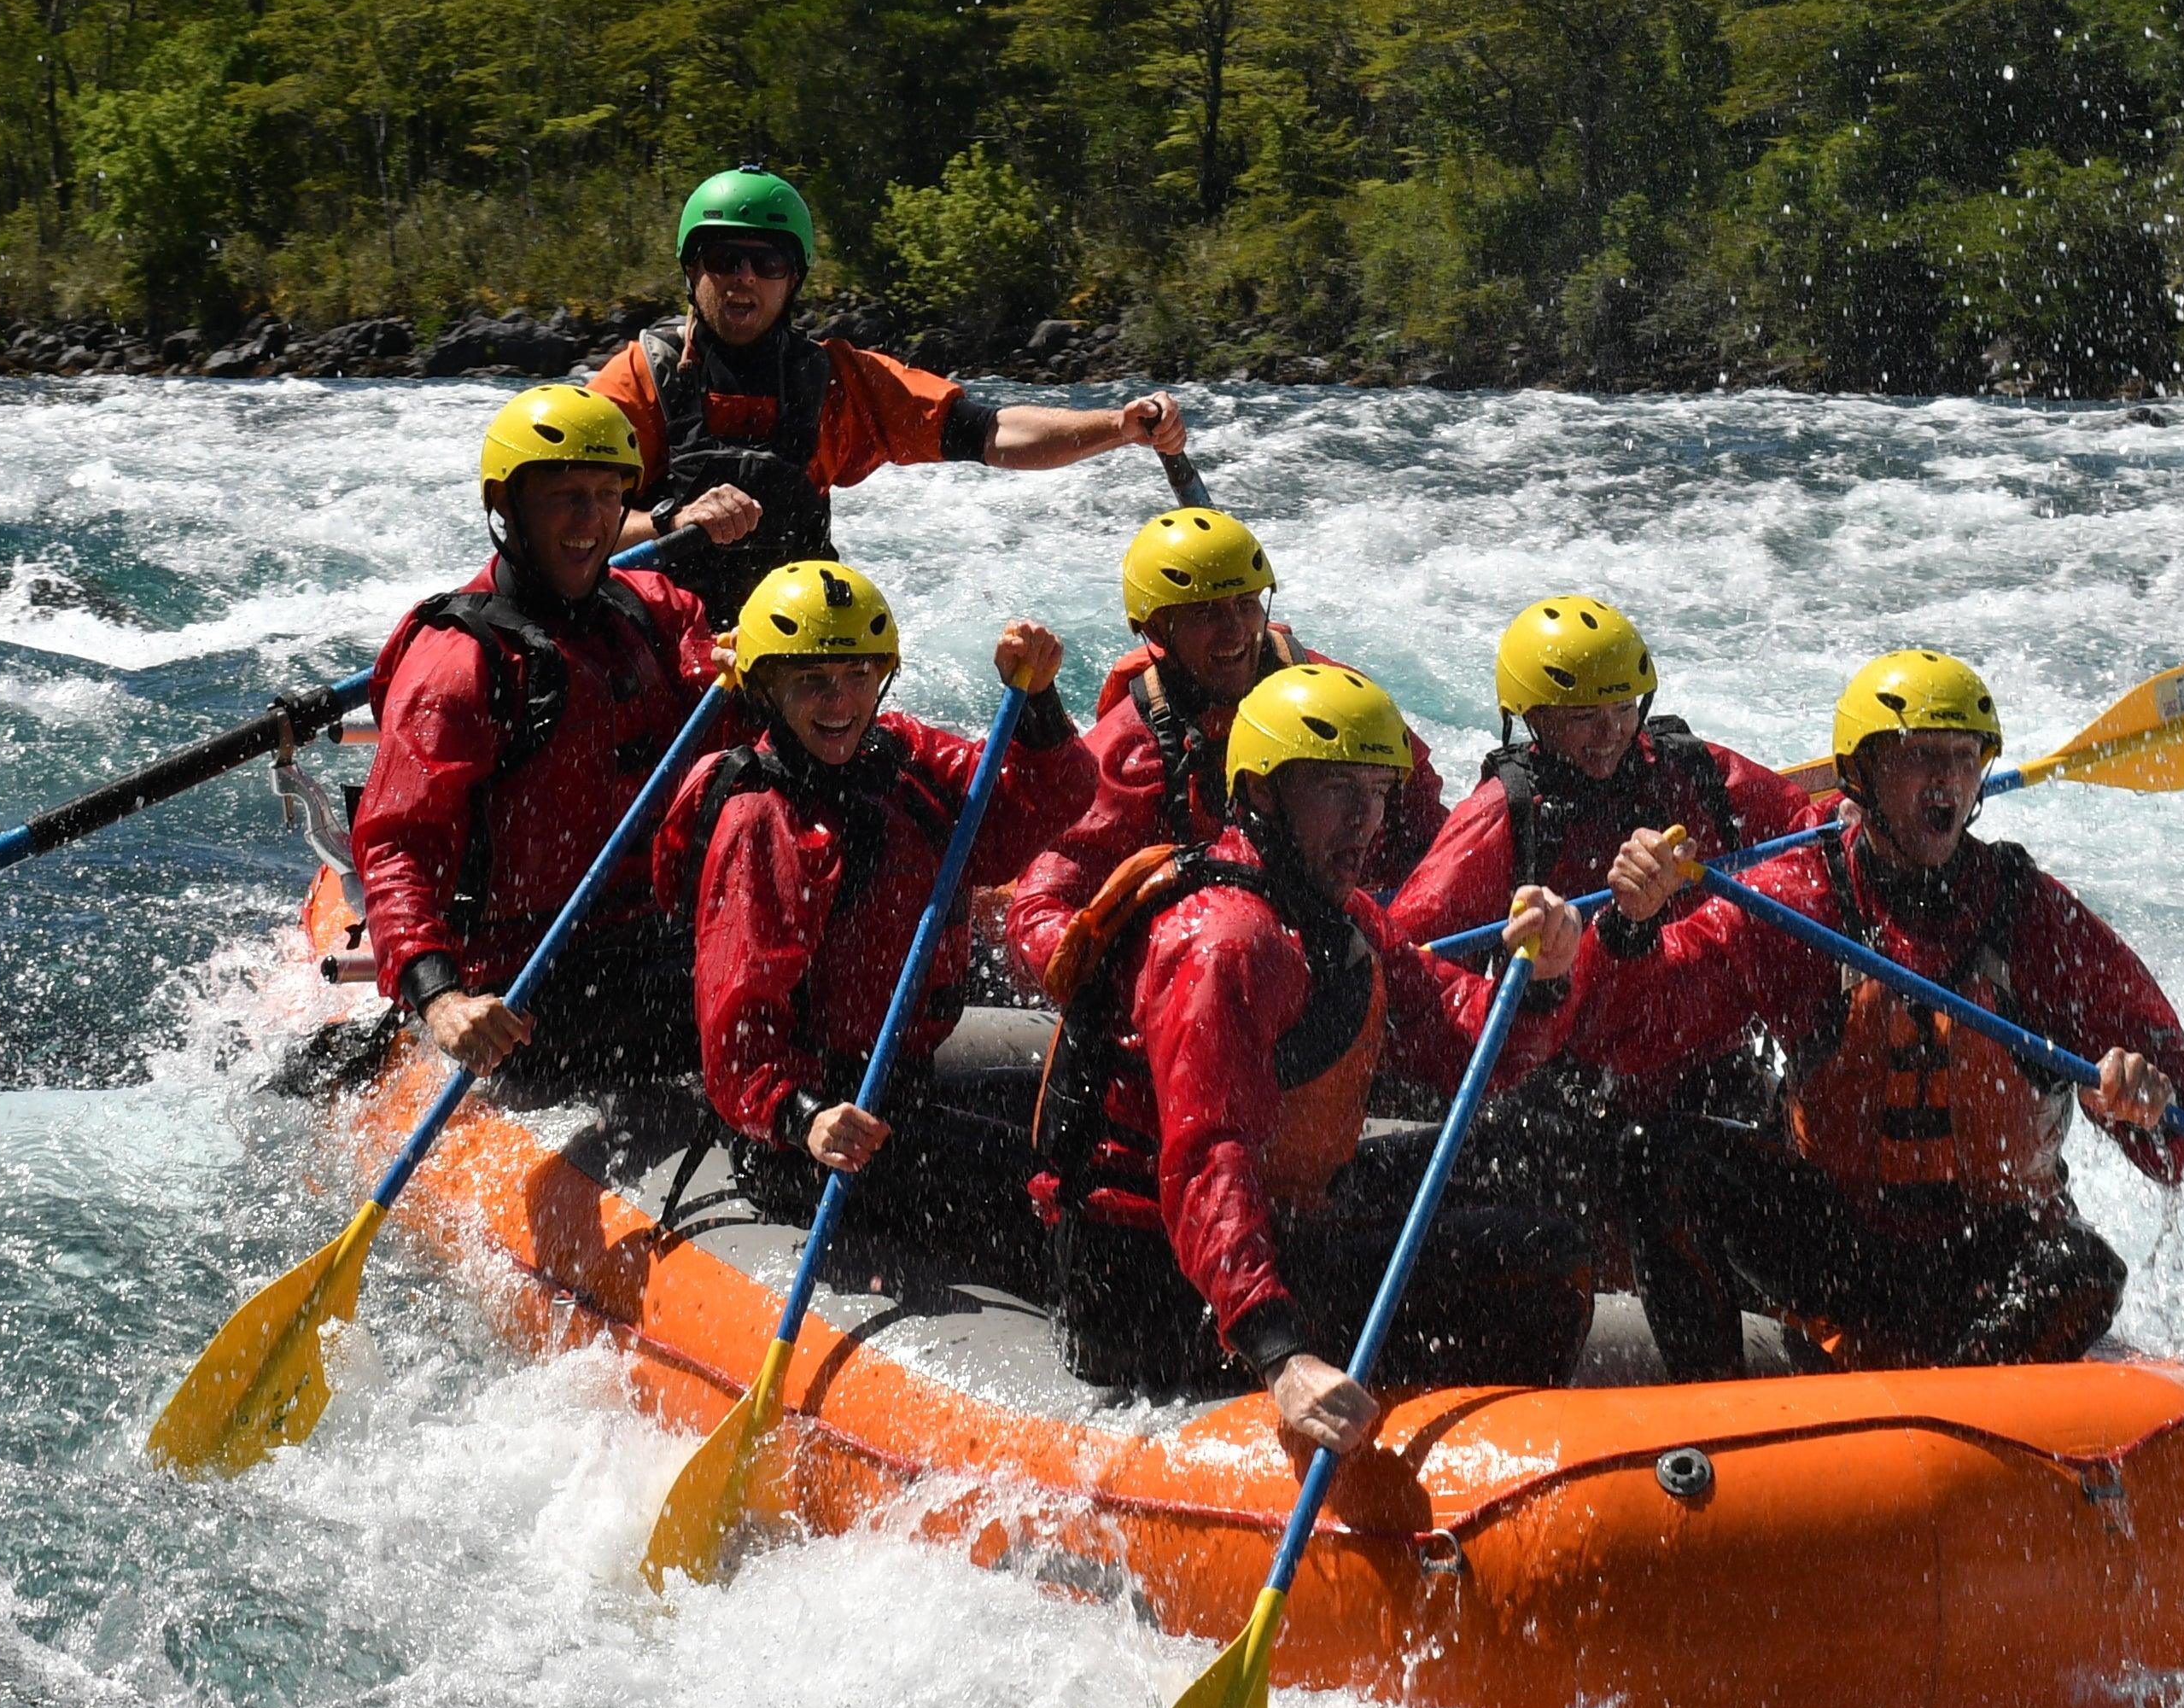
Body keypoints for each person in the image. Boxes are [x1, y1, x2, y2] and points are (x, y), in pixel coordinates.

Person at [1031, 662, 1654, 1453]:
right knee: (1540, 1257)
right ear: (1261, 794)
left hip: (1278, 1221)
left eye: (1376, 791)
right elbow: (1206, 1160)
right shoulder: (1225, 942)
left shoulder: (1341, 914)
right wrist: (1281, 1352)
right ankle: (1462, 1478)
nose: (1364, 820)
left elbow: (1470, 1048)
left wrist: (1543, 976)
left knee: (1525, 1150)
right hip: (1150, 1287)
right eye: (1335, 791)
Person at [1708, 649, 2184, 1369]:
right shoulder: (1799, 897)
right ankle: (1718, 1420)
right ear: (1862, 775)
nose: (1946, 776)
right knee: (1659, 1154)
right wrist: (1621, 931)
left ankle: (1960, 1401)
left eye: (1963, 756)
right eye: (1920, 756)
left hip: (1988, 1254)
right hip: (1841, 1252)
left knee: (2088, 1269)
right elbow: (1649, 1013)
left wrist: (2145, 1097)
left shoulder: (2033, 915)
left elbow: (2176, 1141)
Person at [1384, 593, 1834, 1382]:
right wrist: (1528, 973)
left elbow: (1809, 838)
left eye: (1622, 708)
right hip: (1572, 1083)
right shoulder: (1506, 816)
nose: (1608, 734)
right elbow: (1413, 956)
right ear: (1532, 720)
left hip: (1708, 1064)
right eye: (1580, 716)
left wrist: (1856, 817)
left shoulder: (1703, 775)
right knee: (1606, 1178)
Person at [651, 557, 1086, 1266]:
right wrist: (805, 1117)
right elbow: (737, 1040)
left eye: (858, 675)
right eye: (812, 682)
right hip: (810, 1134)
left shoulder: (901, 755)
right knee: (1050, 1200)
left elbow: (1035, 807)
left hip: (897, 1081)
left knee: (1082, 1127)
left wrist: (1037, 702)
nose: (840, 701)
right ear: (765, 689)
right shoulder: (761, 822)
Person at [589, 167, 1190, 623]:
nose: (744, 278)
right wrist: (674, 518)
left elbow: (993, 432)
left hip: (790, 647)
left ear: (792, 279)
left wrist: (1118, 426)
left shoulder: (838, 383)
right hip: (659, 639)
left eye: (767, 261)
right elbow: (561, 529)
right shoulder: (640, 380)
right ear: (692, 271)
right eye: (724, 259)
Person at [347, 385, 723, 1088]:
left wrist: (766, 671)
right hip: (525, 976)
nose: (591, 521)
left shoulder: (650, 610)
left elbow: (731, 708)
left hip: (655, 938)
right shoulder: (458, 664)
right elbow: (396, 847)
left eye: (608, 496)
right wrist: (440, 995)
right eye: (566, 496)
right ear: (505, 506)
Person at [999, 507, 1447, 993]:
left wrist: (1400, 949)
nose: (1235, 631)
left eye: (1245, 604)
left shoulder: (1341, 704)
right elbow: (1039, 908)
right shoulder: (1131, 753)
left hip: (1345, 934)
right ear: (1158, 629)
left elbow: (1434, 840)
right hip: (1212, 958)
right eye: (1206, 612)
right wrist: (1159, 977)